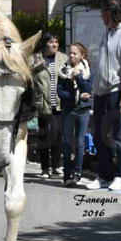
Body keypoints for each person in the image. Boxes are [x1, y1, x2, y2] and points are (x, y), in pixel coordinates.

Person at [86, 0, 121, 191]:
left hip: (117, 91)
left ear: (110, 13)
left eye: (102, 13)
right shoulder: (107, 34)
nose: (101, 16)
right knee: (100, 135)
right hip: (101, 92)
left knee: (120, 134)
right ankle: (104, 175)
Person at [58, 42, 92, 187]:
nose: (71, 55)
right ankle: (67, 174)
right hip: (68, 109)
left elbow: (87, 89)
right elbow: (60, 92)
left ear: (81, 55)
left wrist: (78, 77)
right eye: (70, 53)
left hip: (83, 110)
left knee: (79, 143)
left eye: (75, 53)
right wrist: (75, 97)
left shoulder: (87, 71)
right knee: (67, 143)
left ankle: (77, 173)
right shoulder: (63, 70)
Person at [33, 33, 68, 179]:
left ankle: (56, 166)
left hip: (59, 102)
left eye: (56, 42)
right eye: (51, 42)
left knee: (58, 133)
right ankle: (44, 169)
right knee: (44, 135)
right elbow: (29, 73)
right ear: (44, 43)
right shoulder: (36, 57)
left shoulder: (63, 58)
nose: (54, 45)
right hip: (43, 102)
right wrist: (41, 65)